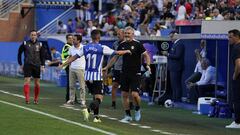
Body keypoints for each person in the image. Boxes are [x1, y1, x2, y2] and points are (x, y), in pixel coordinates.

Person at [59, 29, 131, 123]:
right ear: (99, 37)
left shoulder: (85, 47)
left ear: (92, 37)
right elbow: (117, 53)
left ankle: (96, 117)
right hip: (97, 76)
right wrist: (127, 51)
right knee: (99, 98)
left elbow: (73, 57)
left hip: (87, 77)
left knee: (95, 96)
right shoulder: (102, 47)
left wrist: (63, 64)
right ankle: (88, 110)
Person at [117, 26, 151, 122]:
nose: (127, 35)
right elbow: (115, 56)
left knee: (135, 94)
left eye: (129, 33)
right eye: (125, 33)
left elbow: (146, 55)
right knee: (124, 94)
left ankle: (137, 108)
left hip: (135, 73)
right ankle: (127, 115)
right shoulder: (121, 44)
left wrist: (148, 65)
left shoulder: (138, 44)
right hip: (124, 72)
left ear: (133, 34)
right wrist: (107, 67)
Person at [17, 30, 45, 104]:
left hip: (37, 65)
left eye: (34, 35)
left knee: (37, 83)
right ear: (30, 36)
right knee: (27, 81)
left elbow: (42, 56)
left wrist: (43, 65)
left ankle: (36, 99)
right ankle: (27, 99)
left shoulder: (40, 44)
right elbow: (19, 53)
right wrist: (20, 64)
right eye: (32, 35)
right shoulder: (25, 43)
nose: (33, 36)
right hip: (28, 65)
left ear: (36, 36)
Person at [103, 29, 124, 109]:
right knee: (114, 85)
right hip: (117, 68)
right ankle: (113, 104)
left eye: (119, 34)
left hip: (126, 68)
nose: (118, 35)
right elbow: (112, 56)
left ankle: (131, 104)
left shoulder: (128, 44)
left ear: (123, 34)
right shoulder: (115, 44)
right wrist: (108, 67)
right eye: (117, 34)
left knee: (128, 88)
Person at [162, 31, 185, 102]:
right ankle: (175, 99)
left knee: (176, 84)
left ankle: (177, 99)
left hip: (176, 67)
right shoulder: (175, 44)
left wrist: (168, 54)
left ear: (176, 36)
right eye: (170, 37)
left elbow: (178, 56)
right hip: (173, 67)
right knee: (173, 84)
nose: (170, 38)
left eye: (172, 36)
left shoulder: (179, 44)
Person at [65, 34, 86, 107]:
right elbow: (70, 57)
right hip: (72, 68)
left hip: (81, 68)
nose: (72, 40)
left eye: (74, 39)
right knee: (71, 86)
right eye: (72, 39)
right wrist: (69, 66)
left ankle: (83, 100)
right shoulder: (71, 48)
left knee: (82, 86)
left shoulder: (84, 48)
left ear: (79, 40)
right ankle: (71, 100)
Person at [226, 29, 240, 128]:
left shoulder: (236, 48)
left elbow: (238, 64)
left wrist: (235, 76)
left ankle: (237, 122)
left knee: (237, 100)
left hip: (239, 78)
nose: (229, 39)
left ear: (236, 36)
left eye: (230, 37)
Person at [61, 34, 74, 102]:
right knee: (70, 83)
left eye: (72, 38)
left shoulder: (70, 46)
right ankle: (68, 98)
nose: (71, 39)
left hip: (71, 66)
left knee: (72, 82)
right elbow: (67, 56)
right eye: (69, 38)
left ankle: (73, 98)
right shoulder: (67, 46)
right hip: (68, 66)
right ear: (67, 39)